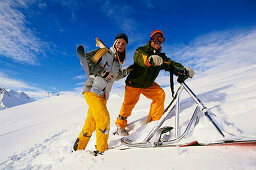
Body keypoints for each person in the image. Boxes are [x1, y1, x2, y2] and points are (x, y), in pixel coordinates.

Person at [114, 30, 194, 136]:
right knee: (129, 104)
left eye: (161, 40)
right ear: (151, 39)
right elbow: (140, 58)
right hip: (134, 83)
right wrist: (150, 59)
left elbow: (171, 64)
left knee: (159, 94)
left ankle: (153, 123)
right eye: (156, 39)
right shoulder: (142, 50)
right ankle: (120, 125)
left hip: (148, 84)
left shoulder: (161, 57)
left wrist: (184, 69)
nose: (158, 42)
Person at [73, 33, 133, 155]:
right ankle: (102, 150)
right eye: (119, 42)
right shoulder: (103, 52)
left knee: (91, 123)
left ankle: (79, 147)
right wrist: (102, 72)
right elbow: (86, 61)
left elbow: (116, 76)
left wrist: (127, 70)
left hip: (103, 96)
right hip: (92, 90)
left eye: (123, 44)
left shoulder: (117, 64)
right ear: (115, 42)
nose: (120, 45)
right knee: (104, 119)